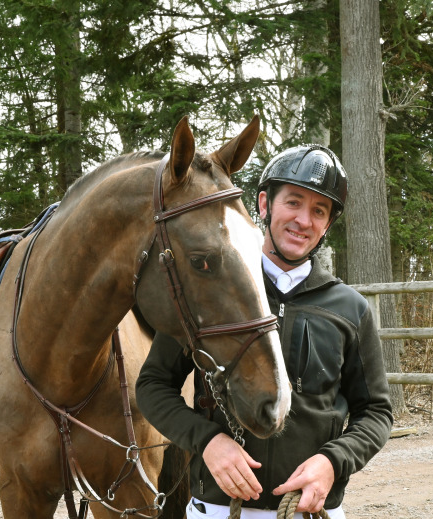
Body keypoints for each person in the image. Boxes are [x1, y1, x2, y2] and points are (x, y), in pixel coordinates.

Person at [135, 144, 393, 519]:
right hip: (219, 510)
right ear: (264, 203)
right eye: (293, 202)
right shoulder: (210, 290)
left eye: (319, 211)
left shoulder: (351, 309)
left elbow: (376, 411)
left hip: (309, 510)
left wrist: (333, 462)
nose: (304, 220)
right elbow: (153, 385)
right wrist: (207, 441)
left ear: (327, 225)